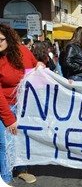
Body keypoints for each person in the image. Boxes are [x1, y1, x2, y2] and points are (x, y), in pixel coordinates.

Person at [0, 23, 44, 185]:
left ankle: (22, 169)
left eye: (0, 39)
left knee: (22, 138)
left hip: (24, 105)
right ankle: (5, 177)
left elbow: (35, 70)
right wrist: (10, 119)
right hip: (4, 105)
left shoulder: (24, 51)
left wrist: (40, 66)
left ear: (9, 39)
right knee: (5, 142)